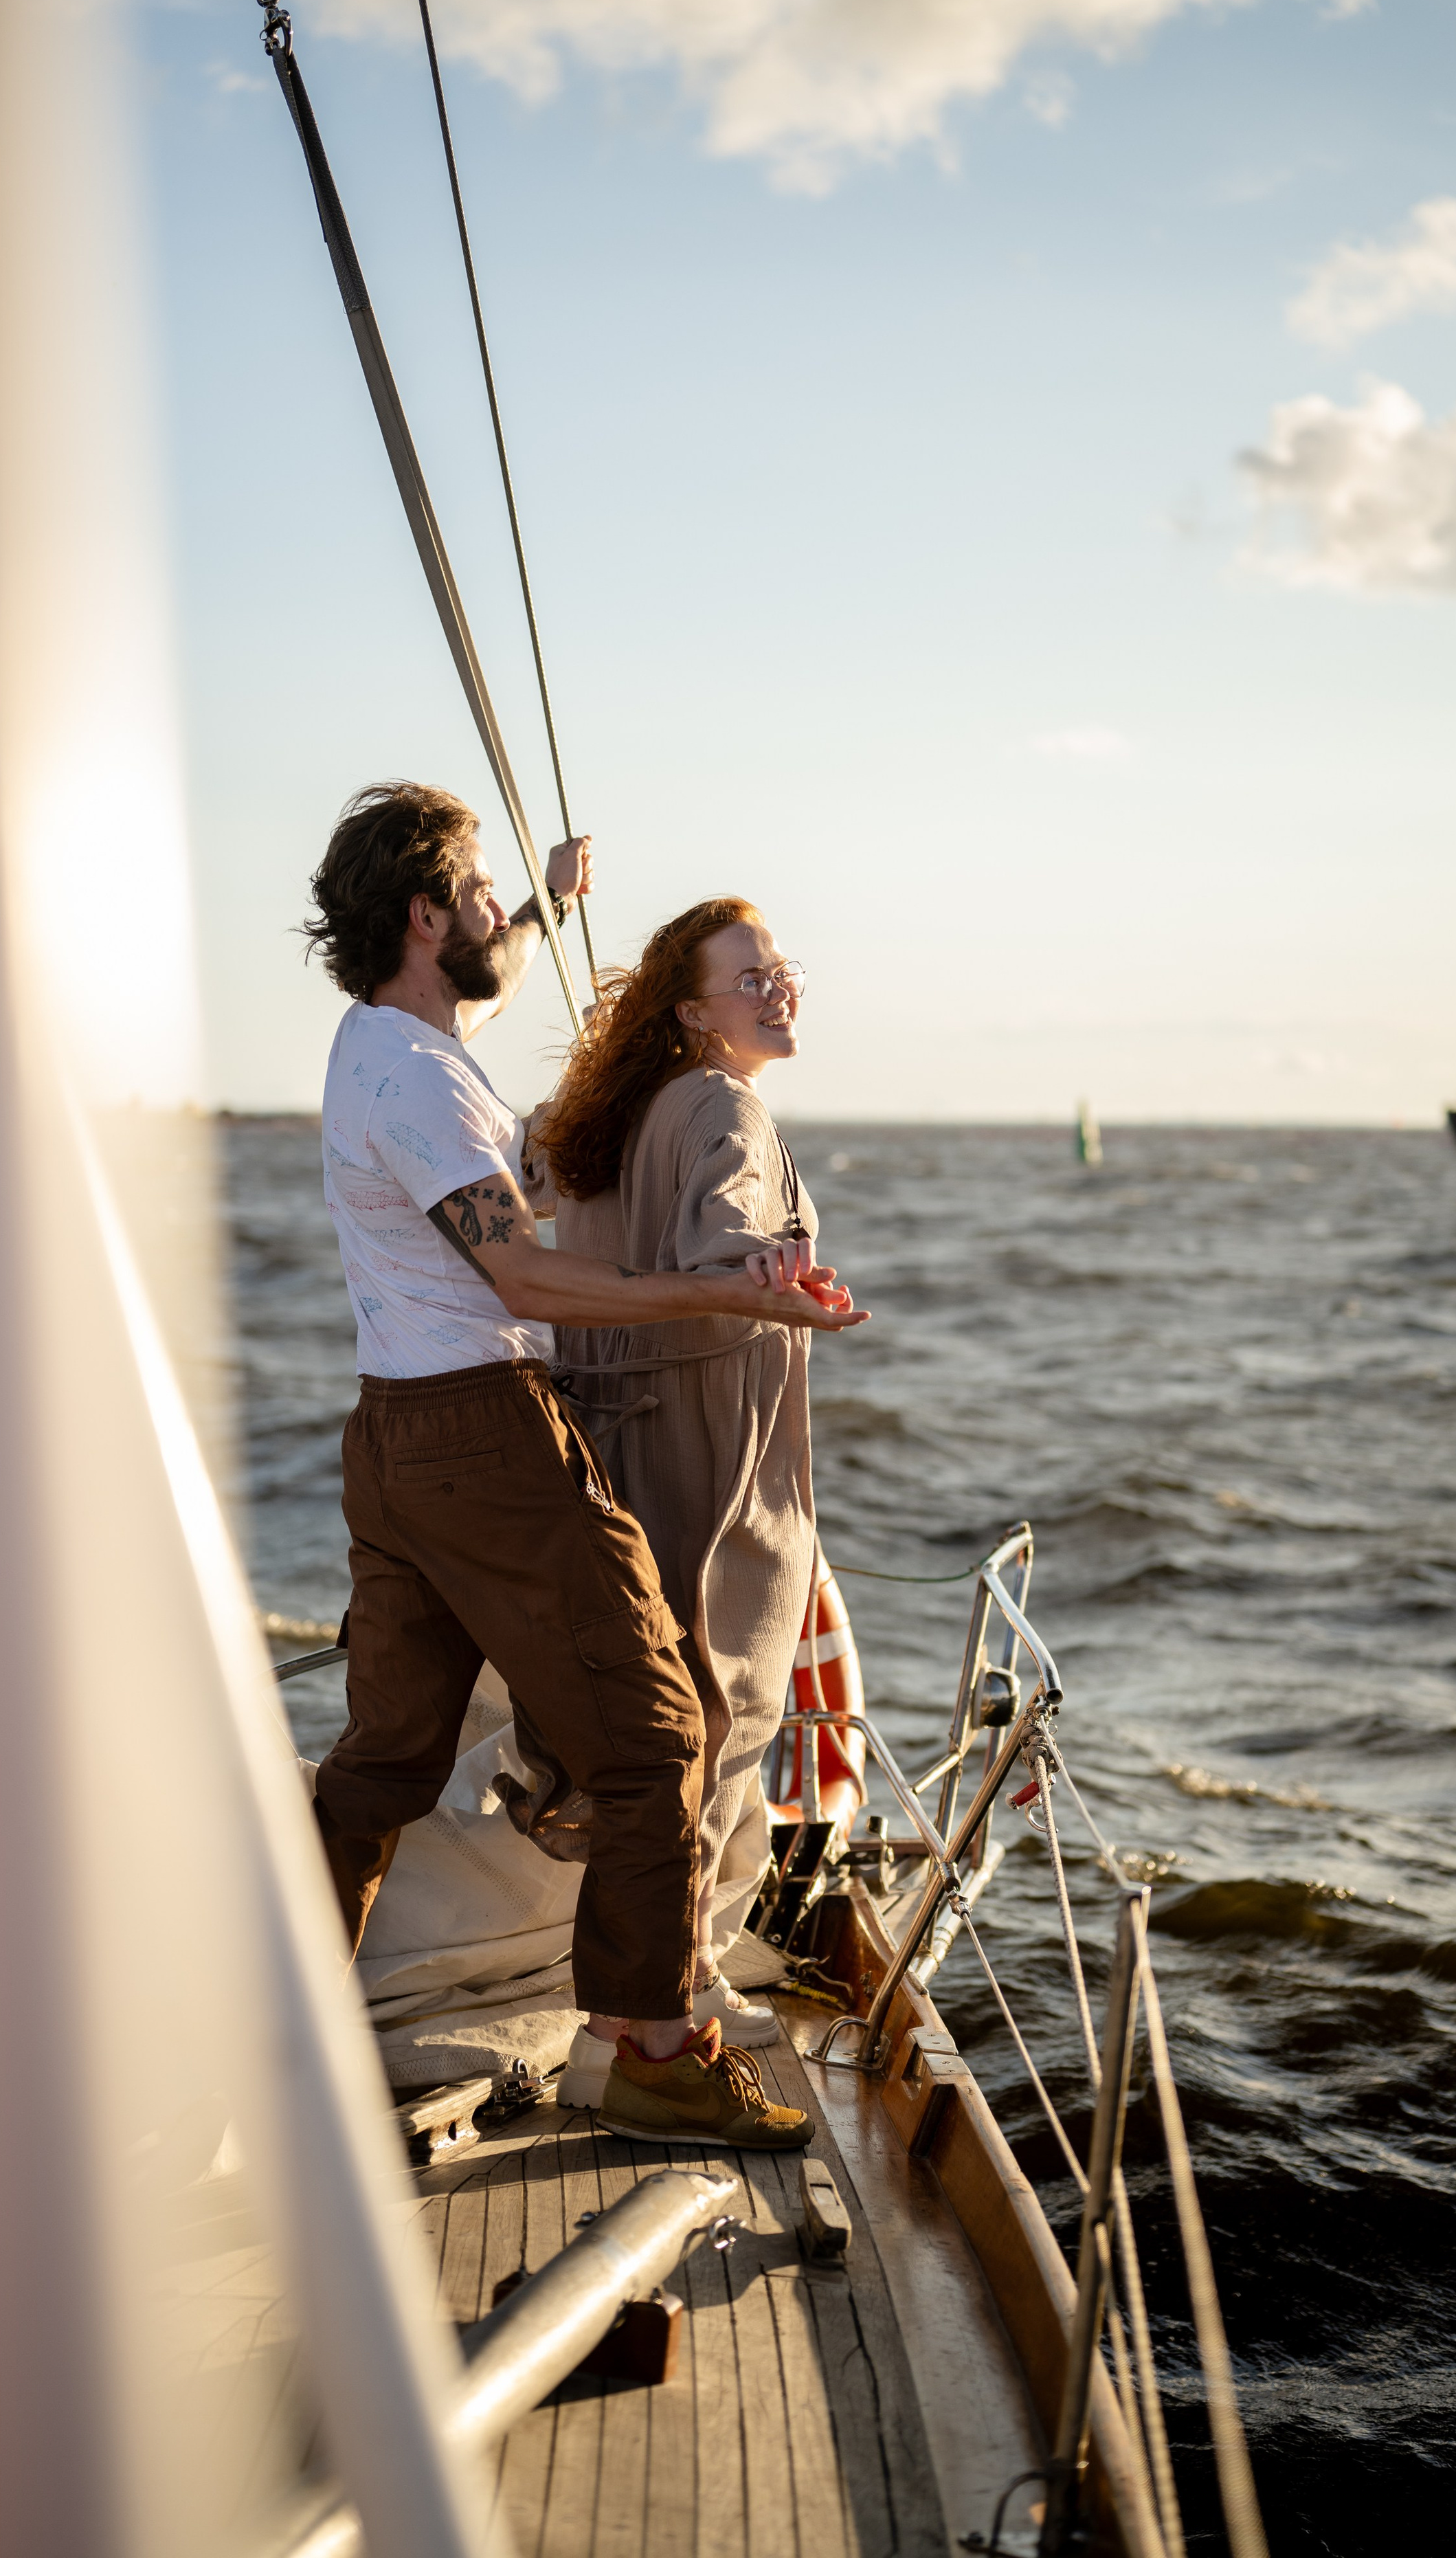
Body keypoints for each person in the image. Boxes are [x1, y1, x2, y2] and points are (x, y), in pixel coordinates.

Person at [301, 783, 868, 2152]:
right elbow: (517, 1265)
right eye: (484, 891)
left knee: (384, 1758)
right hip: (481, 1434)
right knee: (659, 1734)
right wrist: (729, 1297)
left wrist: (551, 899)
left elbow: (470, 1025)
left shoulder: (378, 1041)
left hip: (389, 1437)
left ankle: (283, 2020)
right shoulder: (420, 1083)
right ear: (429, 917)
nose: (501, 910)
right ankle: (652, 2048)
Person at [526, 898, 840, 2107]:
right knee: (720, 1703)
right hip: (705, 1449)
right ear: (692, 1012)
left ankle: (666, 1976)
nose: (779, 990)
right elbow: (725, 1239)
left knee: (656, 1719)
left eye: (781, 970)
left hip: (601, 1440)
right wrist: (763, 1273)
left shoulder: (605, 1113)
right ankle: (675, 1987)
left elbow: (529, 1179)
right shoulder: (722, 1107)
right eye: (750, 977)